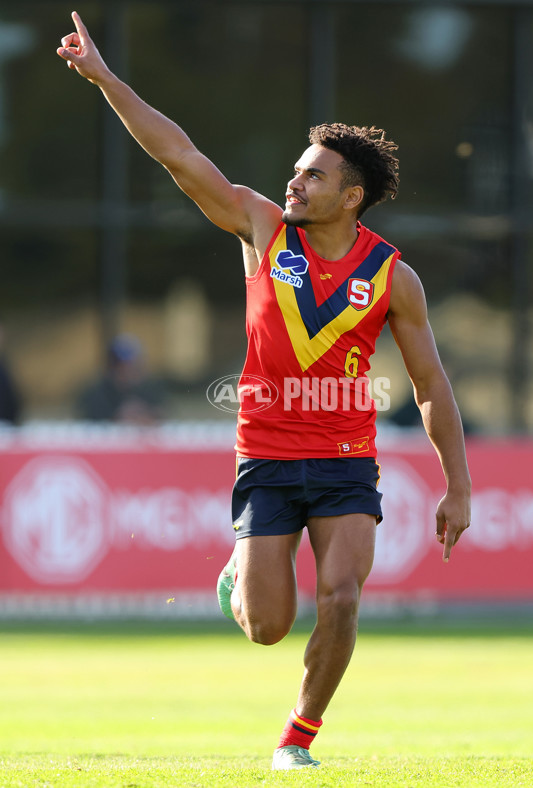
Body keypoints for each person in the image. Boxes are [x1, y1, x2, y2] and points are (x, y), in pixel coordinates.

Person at [58, 12, 471, 770]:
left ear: (352, 197)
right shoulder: (261, 229)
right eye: (297, 168)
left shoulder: (392, 277)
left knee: (342, 597)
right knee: (268, 627)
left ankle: (298, 739)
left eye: (314, 174)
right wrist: (105, 79)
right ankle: (241, 575)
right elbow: (177, 155)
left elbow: (430, 384)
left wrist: (458, 488)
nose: (295, 179)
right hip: (267, 459)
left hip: (348, 460)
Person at [76, 333, 165, 425]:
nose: (126, 371)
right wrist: (118, 418)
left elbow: (163, 417)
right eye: (119, 366)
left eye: (132, 366)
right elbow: (88, 424)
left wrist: (146, 417)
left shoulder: (152, 390)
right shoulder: (95, 394)